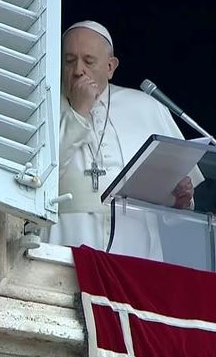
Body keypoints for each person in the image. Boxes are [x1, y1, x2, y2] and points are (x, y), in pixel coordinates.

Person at [47, 20, 203, 261]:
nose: (78, 70)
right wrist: (77, 112)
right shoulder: (44, 107)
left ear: (110, 67)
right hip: (67, 244)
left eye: (88, 61)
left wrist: (181, 200)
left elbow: (177, 202)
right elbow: (40, 179)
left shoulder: (146, 107)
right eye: (69, 61)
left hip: (136, 251)